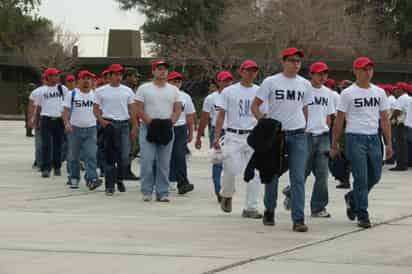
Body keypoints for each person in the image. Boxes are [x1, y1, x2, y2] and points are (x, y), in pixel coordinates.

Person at [251, 47, 311, 232]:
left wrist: (305, 126)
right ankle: (270, 209)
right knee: (272, 174)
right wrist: (264, 123)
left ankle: (298, 218)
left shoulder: (304, 84)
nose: (295, 64)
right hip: (277, 135)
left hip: (298, 134)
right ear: (284, 61)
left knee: (298, 177)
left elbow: (305, 107)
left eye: (298, 61)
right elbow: (255, 106)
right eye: (292, 60)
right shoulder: (271, 82)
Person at [331, 57, 392, 229]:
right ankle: (362, 214)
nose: (368, 72)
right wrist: (334, 143)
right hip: (354, 137)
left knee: (376, 175)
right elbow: (339, 120)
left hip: (373, 137)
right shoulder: (348, 93)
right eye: (364, 69)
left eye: (370, 69)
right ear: (356, 71)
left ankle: (353, 198)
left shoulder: (379, 92)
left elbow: (385, 119)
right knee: (361, 177)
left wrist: (388, 143)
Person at [213, 60, 262, 218]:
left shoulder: (260, 91)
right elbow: (221, 115)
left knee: (254, 173)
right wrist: (216, 136)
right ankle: (226, 194)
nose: (251, 73)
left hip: (253, 136)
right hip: (233, 135)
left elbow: (265, 114)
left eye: (254, 71)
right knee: (231, 169)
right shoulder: (229, 91)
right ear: (241, 72)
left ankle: (251, 208)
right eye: (248, 70)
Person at [135, 60, 182, 202]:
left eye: (165, 69)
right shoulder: (144, 88)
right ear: (153, 71)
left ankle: (162, 192)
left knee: (164, 162)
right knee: (147, 160)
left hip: (166, 127)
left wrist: (171, 121)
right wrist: (151, 122)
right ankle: (147, 190)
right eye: (159, 69)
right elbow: (139, 108)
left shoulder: (173, 90)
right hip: (148, 127)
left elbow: (178, 109)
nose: (162, 71)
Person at [93, 64, 137, 196]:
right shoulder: (100, 91)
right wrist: (101, 121)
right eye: (116, 74)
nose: (118, 77)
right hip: (108, 124)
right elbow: (95, 109)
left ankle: (118, 178)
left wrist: (135, 125)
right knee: (109, 157)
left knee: (124, 156)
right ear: (109, 76)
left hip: (124, 124)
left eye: (120, 74)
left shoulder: (127, 91)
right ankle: (110, 185)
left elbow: (133, 109)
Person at [195, 71, 234, 202]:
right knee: (218, 162)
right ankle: (219, 191)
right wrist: (199, 137)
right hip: (217, 132)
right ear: (218, 82)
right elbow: (204, 118)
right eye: (224, 81)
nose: (227, 83)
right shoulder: (211, 98)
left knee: (231, 164)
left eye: (229, 80)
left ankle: (227, 190)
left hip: (233, 132)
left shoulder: (236, 96)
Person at [62, 70, 101, 190]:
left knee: (91, 155)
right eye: (83, 78)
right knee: (74, 156)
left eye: (88, 79)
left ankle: (92, 179)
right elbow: (66, 111)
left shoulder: (95, 95)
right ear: (78, 80)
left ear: (92, 81)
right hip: (75, 129)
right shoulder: (72, 94)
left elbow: (101, 111)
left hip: (91, 129)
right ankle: (74, 178)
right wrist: (67, 123)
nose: (86, 81)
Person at [33, 68, 67, 178]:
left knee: (58, 145)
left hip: (59, 119)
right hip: (46, 119)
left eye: (57, 75)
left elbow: (66, 107)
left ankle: (57, 167)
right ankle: (46, 168)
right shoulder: (41, 91)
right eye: (53, 75)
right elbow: (38, 108)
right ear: (47, 77)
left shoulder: (63, 89)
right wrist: (36, 122)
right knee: (46, 145)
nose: (56, 77)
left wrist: (67, 122)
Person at [167, 71, 195, 194]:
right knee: (165, 156)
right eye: (174, 81)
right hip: (165, 127)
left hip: (180, 128)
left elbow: (190, 115)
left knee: (179, 155)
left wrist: (190, 132)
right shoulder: (163, 94)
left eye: (179, 81)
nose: (177, 83)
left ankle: (183, 183)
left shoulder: (185, 97)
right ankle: (164, 179)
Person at [122, 67, 141, 181]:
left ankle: (125, 169)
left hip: (134, 120)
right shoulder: (124, 89)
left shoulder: (133, 89)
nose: (136, 79)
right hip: (127, 121)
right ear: (128, 77)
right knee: (129, 147)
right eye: (134, 76)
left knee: (134, 147)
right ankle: (124, 170)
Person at [390, 82, 409, 171]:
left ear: (401, 90)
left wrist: (390, 119)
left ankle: (401, 165)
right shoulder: (408, 98)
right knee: (405, 145)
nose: (395, 91)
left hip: (400, 124)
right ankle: (406, 163)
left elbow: (397, 111)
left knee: (400, 145)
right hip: (407, 124)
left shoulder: (401, 98)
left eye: (396, 89)